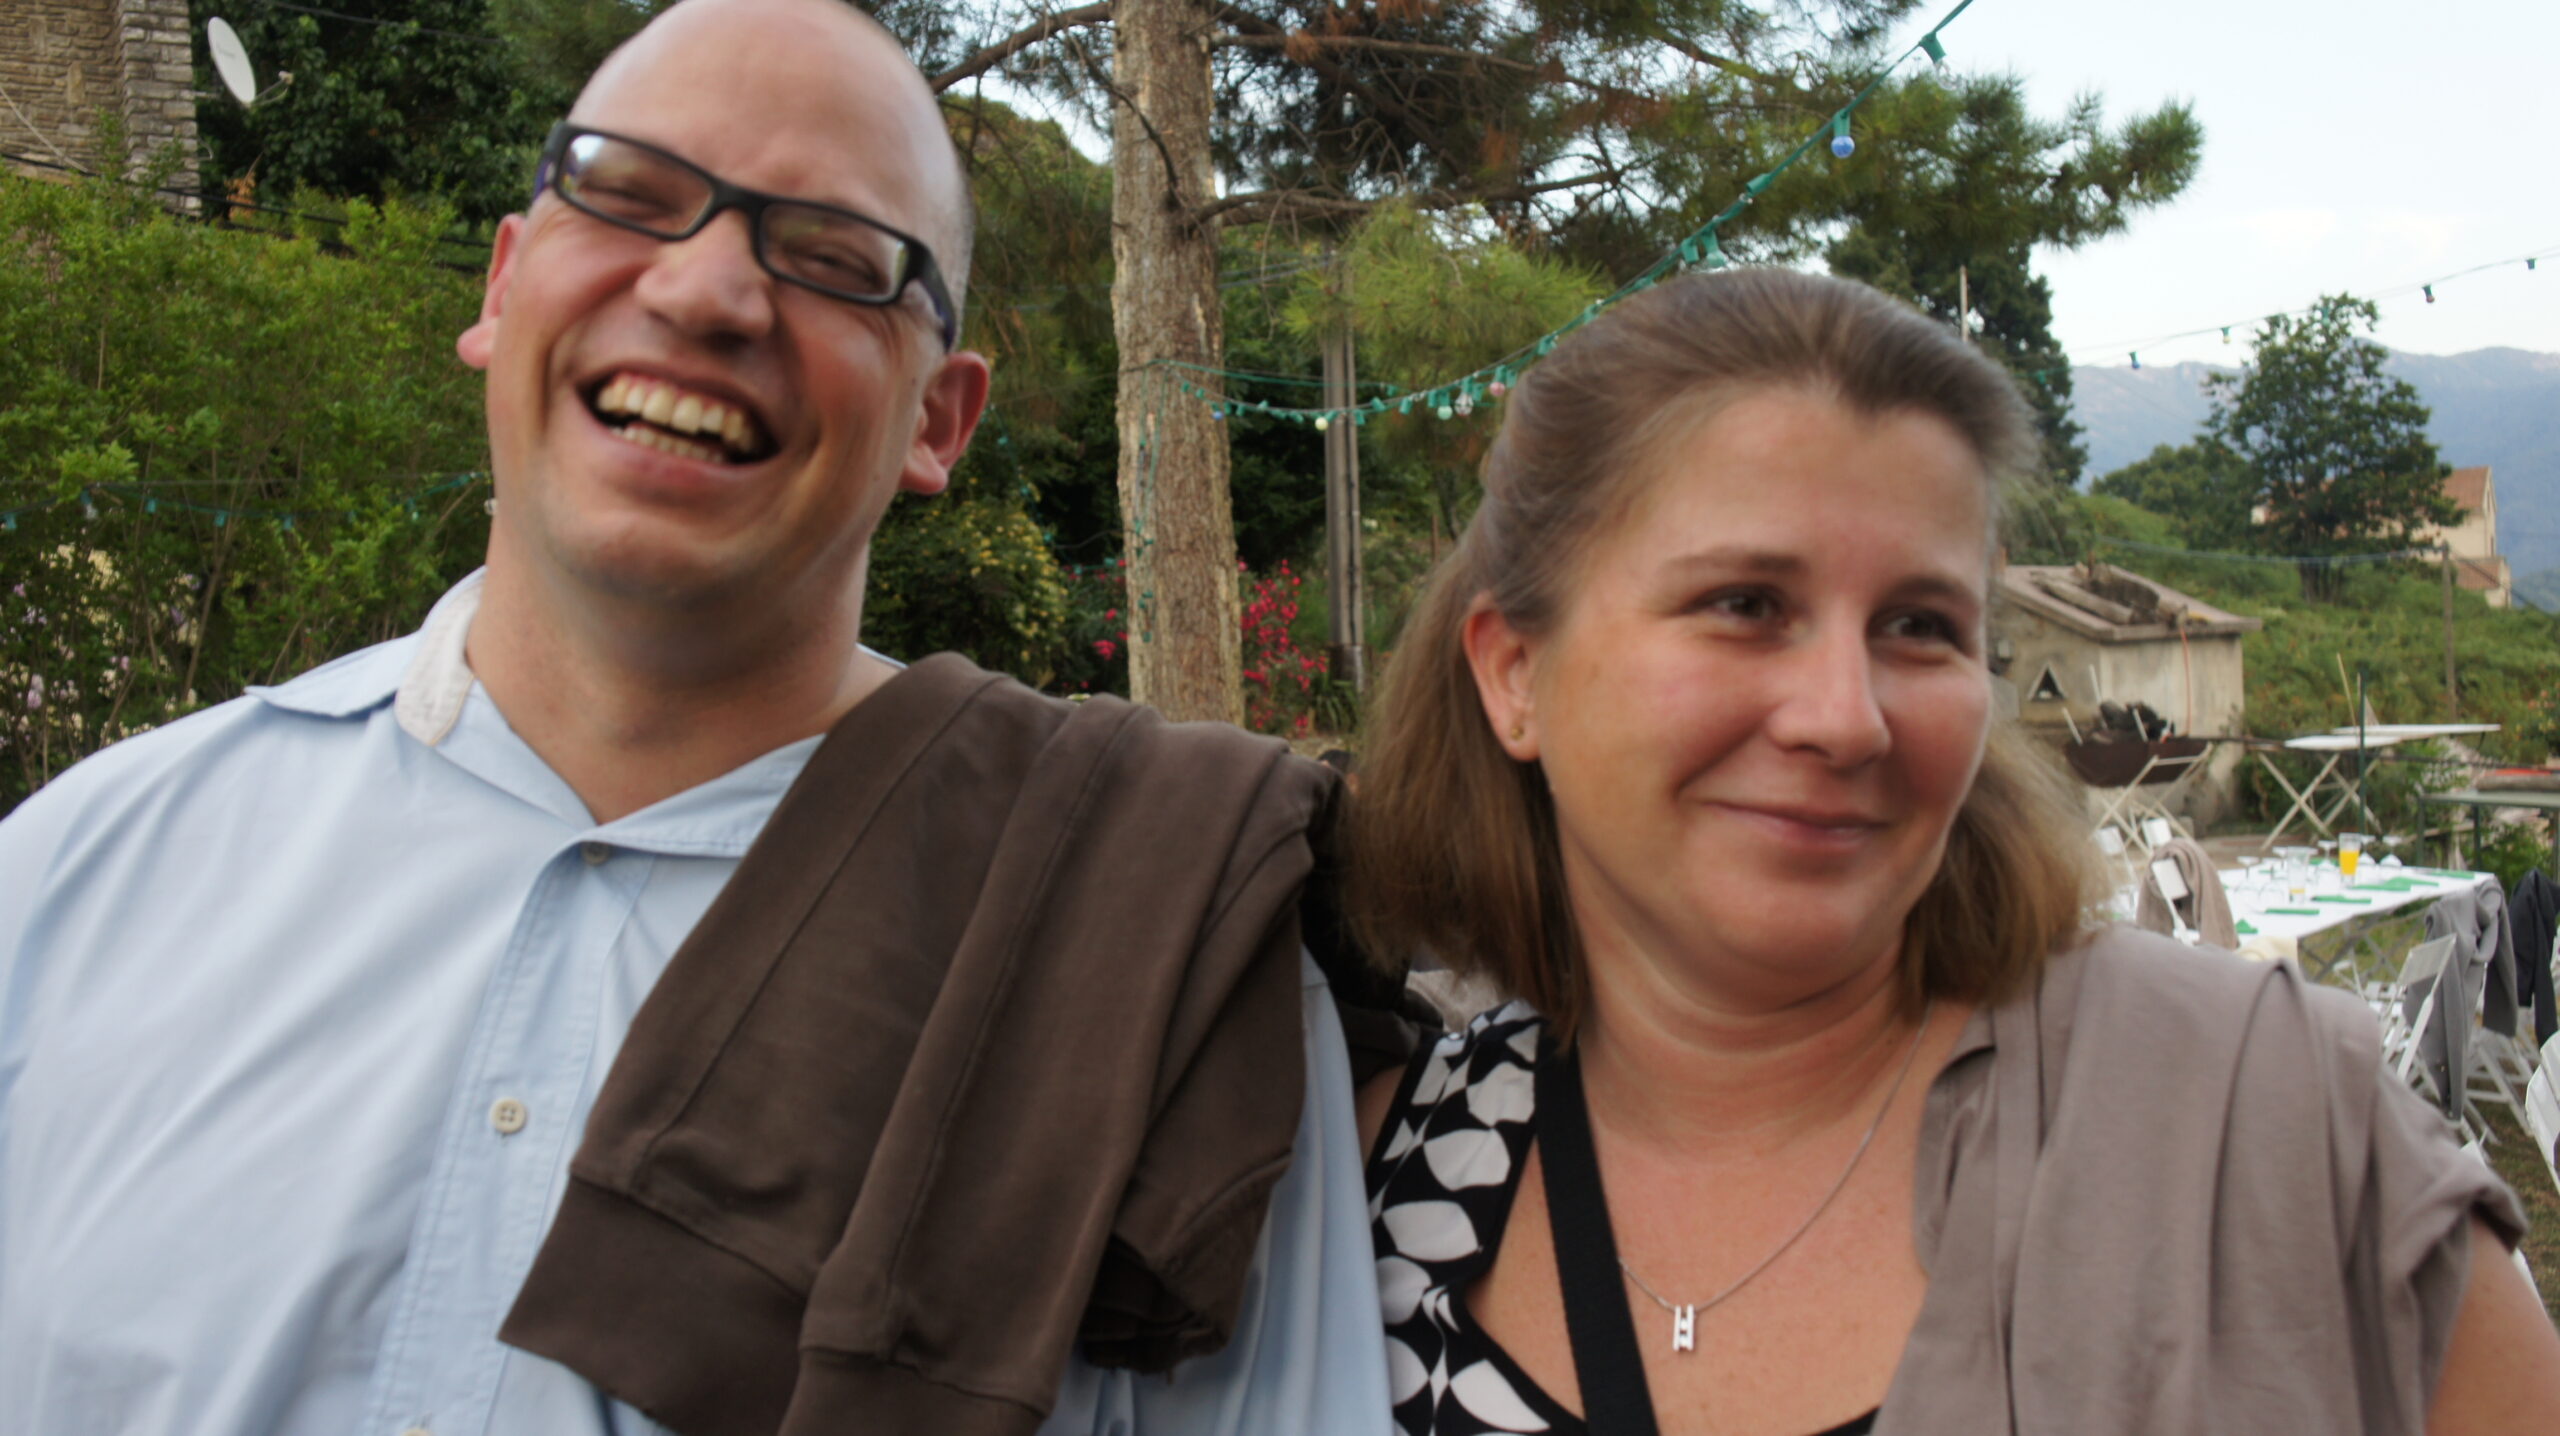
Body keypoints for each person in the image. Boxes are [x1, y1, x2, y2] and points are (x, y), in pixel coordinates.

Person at [0, 3, 1395, 1433]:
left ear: (939, 420)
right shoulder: (71, 887)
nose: (706, 290)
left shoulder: (1153, 966)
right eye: (625, 192)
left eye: (835, 258)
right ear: (503, 282)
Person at [1349, 267, 2560, 1435]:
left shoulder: (2269, 1127)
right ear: (1514, 673)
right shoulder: (1355, 1203)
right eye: (1744, 603)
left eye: (1919, 625)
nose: (1845, 716)